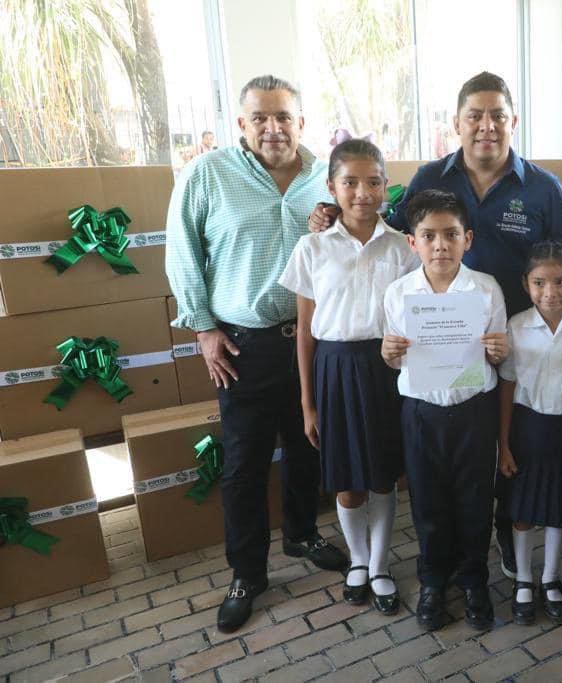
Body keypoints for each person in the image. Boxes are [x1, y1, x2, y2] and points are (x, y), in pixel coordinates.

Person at [310, 71, 562, 582]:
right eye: (474, 116)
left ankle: (507, 538)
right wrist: (331, 215)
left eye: (497, 115)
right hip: (440, 358)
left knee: (511, 451)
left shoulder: (544, 189)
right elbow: (382, 222)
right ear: (456, 123)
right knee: (450, 470)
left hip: (514, 344)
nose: (486, 126)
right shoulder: (431, 178)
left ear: (513, 121)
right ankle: (444, 566)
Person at [166, 74, 349, 634]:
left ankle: (301, 533)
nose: (273, 128)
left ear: (301, 122)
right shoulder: (207, 175)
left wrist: (336, 221)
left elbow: (352, 240)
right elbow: (182, 251)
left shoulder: (326, 176)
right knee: (244, 467)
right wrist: (202, 330)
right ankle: (247, 572)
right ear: (242, 124)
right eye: (260, 118)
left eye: (284, 117)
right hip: (241, 346)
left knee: (306, 447)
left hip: (310, 339)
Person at [279, 139, 418, 616]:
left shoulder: (403, 247)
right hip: (333, 370)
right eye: (351, 182)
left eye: (373, 182)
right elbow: (304, 330)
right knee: (346, 481)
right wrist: (307, 402)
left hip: (386, 369)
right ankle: (357, 559)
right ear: (332, 187)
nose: (363, 192)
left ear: (386, 185)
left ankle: (380, 565)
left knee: (382, 476)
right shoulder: (312, 247)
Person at [381, 190, 510, 632]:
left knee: (475, 499)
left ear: (467, 239)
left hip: (473, 409)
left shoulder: (486, 288)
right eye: (429, 236)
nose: (440, 245)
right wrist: (389, 352)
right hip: (422, 411)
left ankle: (474, 579)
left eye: (451, 235)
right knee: (428, 499)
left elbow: (497, 355)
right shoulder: (399, 293)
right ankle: (434, 579)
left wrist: (497, 351)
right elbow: (396, 357)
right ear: (412, 243)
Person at [497, 242, 562, 627]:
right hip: (526, 428)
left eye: (560, 282)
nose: (550, 292)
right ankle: (522, 577)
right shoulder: (515, 327)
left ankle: (550, 578)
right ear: (526, 284)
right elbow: (505, 387)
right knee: (522, 509)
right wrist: (502, 444)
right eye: (540, 283)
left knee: (558, 509)